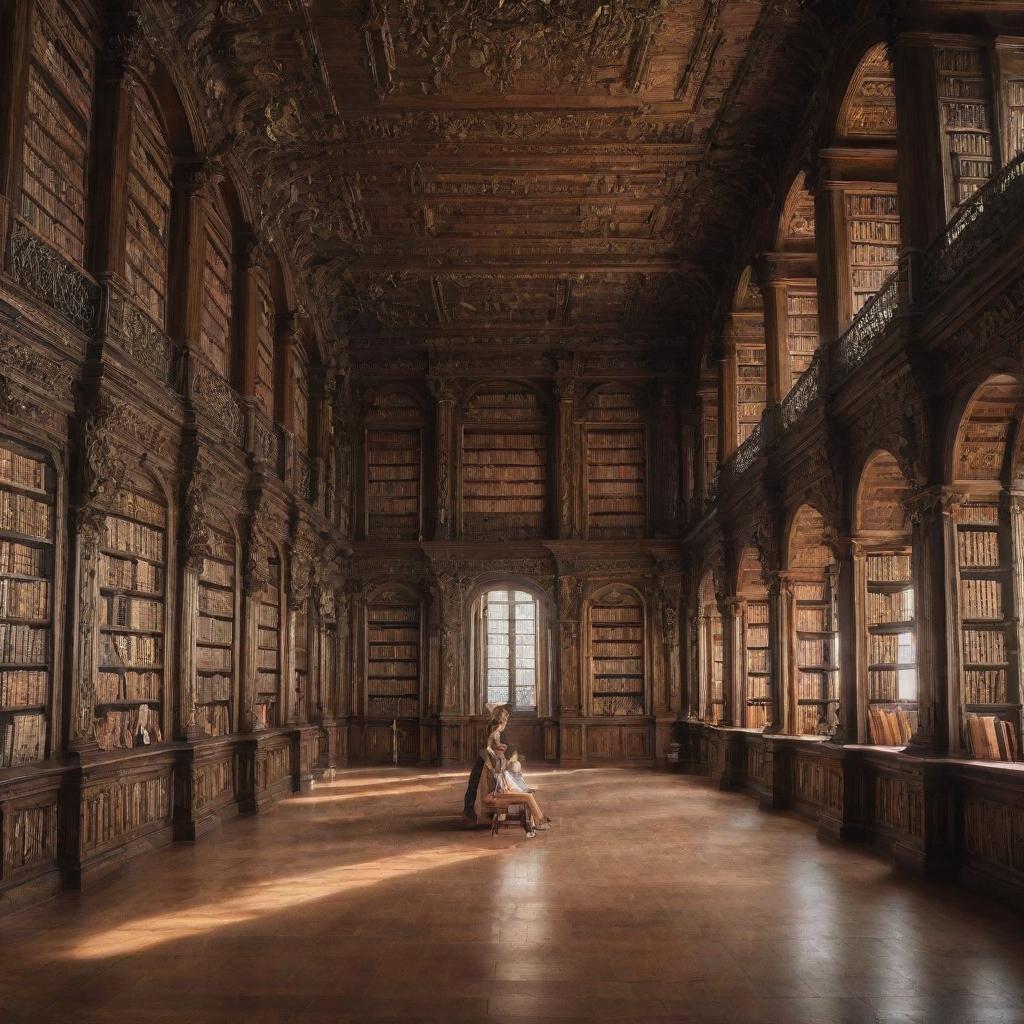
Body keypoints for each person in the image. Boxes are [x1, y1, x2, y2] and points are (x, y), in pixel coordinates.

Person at [478, 717, 552, 837]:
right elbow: (499, 786)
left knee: (528, 794)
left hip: (504, 789)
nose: (502, 751)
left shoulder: (500, 761)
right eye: (499, 749)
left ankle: (538, 822)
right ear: (495, 750)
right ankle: (539, 823)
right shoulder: (495, 762)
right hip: (499, 793)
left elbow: (506, 777)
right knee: (528, 797)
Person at [462, 704, 509, 824]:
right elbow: (488, 746)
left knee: (482, 781)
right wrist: (495, 750)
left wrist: (498, 747)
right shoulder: (495, 728)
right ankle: (473, 810)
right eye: (505, 720)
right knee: (480, 781)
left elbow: (493, 744)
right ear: (501, 720)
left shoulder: (495, 727)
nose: (505, 723)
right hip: (486, 758)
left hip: (487, 757)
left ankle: (482, 810)